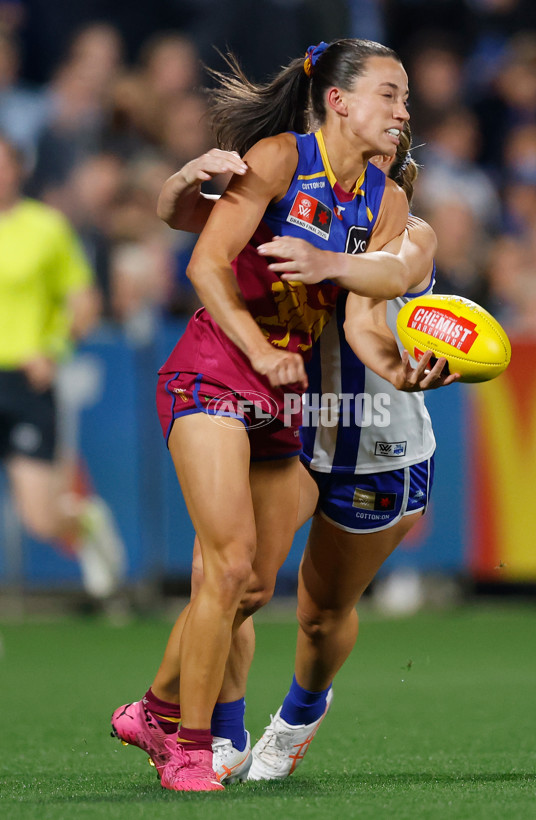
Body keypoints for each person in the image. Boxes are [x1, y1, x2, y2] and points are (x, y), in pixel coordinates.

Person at [111, 38, 430, 793]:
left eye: (407, 98)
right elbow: (203, 260)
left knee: (252, 586)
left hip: (283, 394)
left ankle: (156, 708)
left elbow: (361, 325)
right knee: (222, 566)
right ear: (340, 100)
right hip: (218, 369)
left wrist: (407, 372)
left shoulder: (388, 203)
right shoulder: (282, 156)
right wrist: (259, 348)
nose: (403, 111)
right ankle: (191, 749)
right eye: (391, 94)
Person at [0, 135, 126, 600]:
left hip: (25, 381)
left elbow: (84, 301)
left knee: (39, 519)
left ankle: (85, 520)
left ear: (18, 170)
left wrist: (52, 350)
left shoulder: (45, 228)